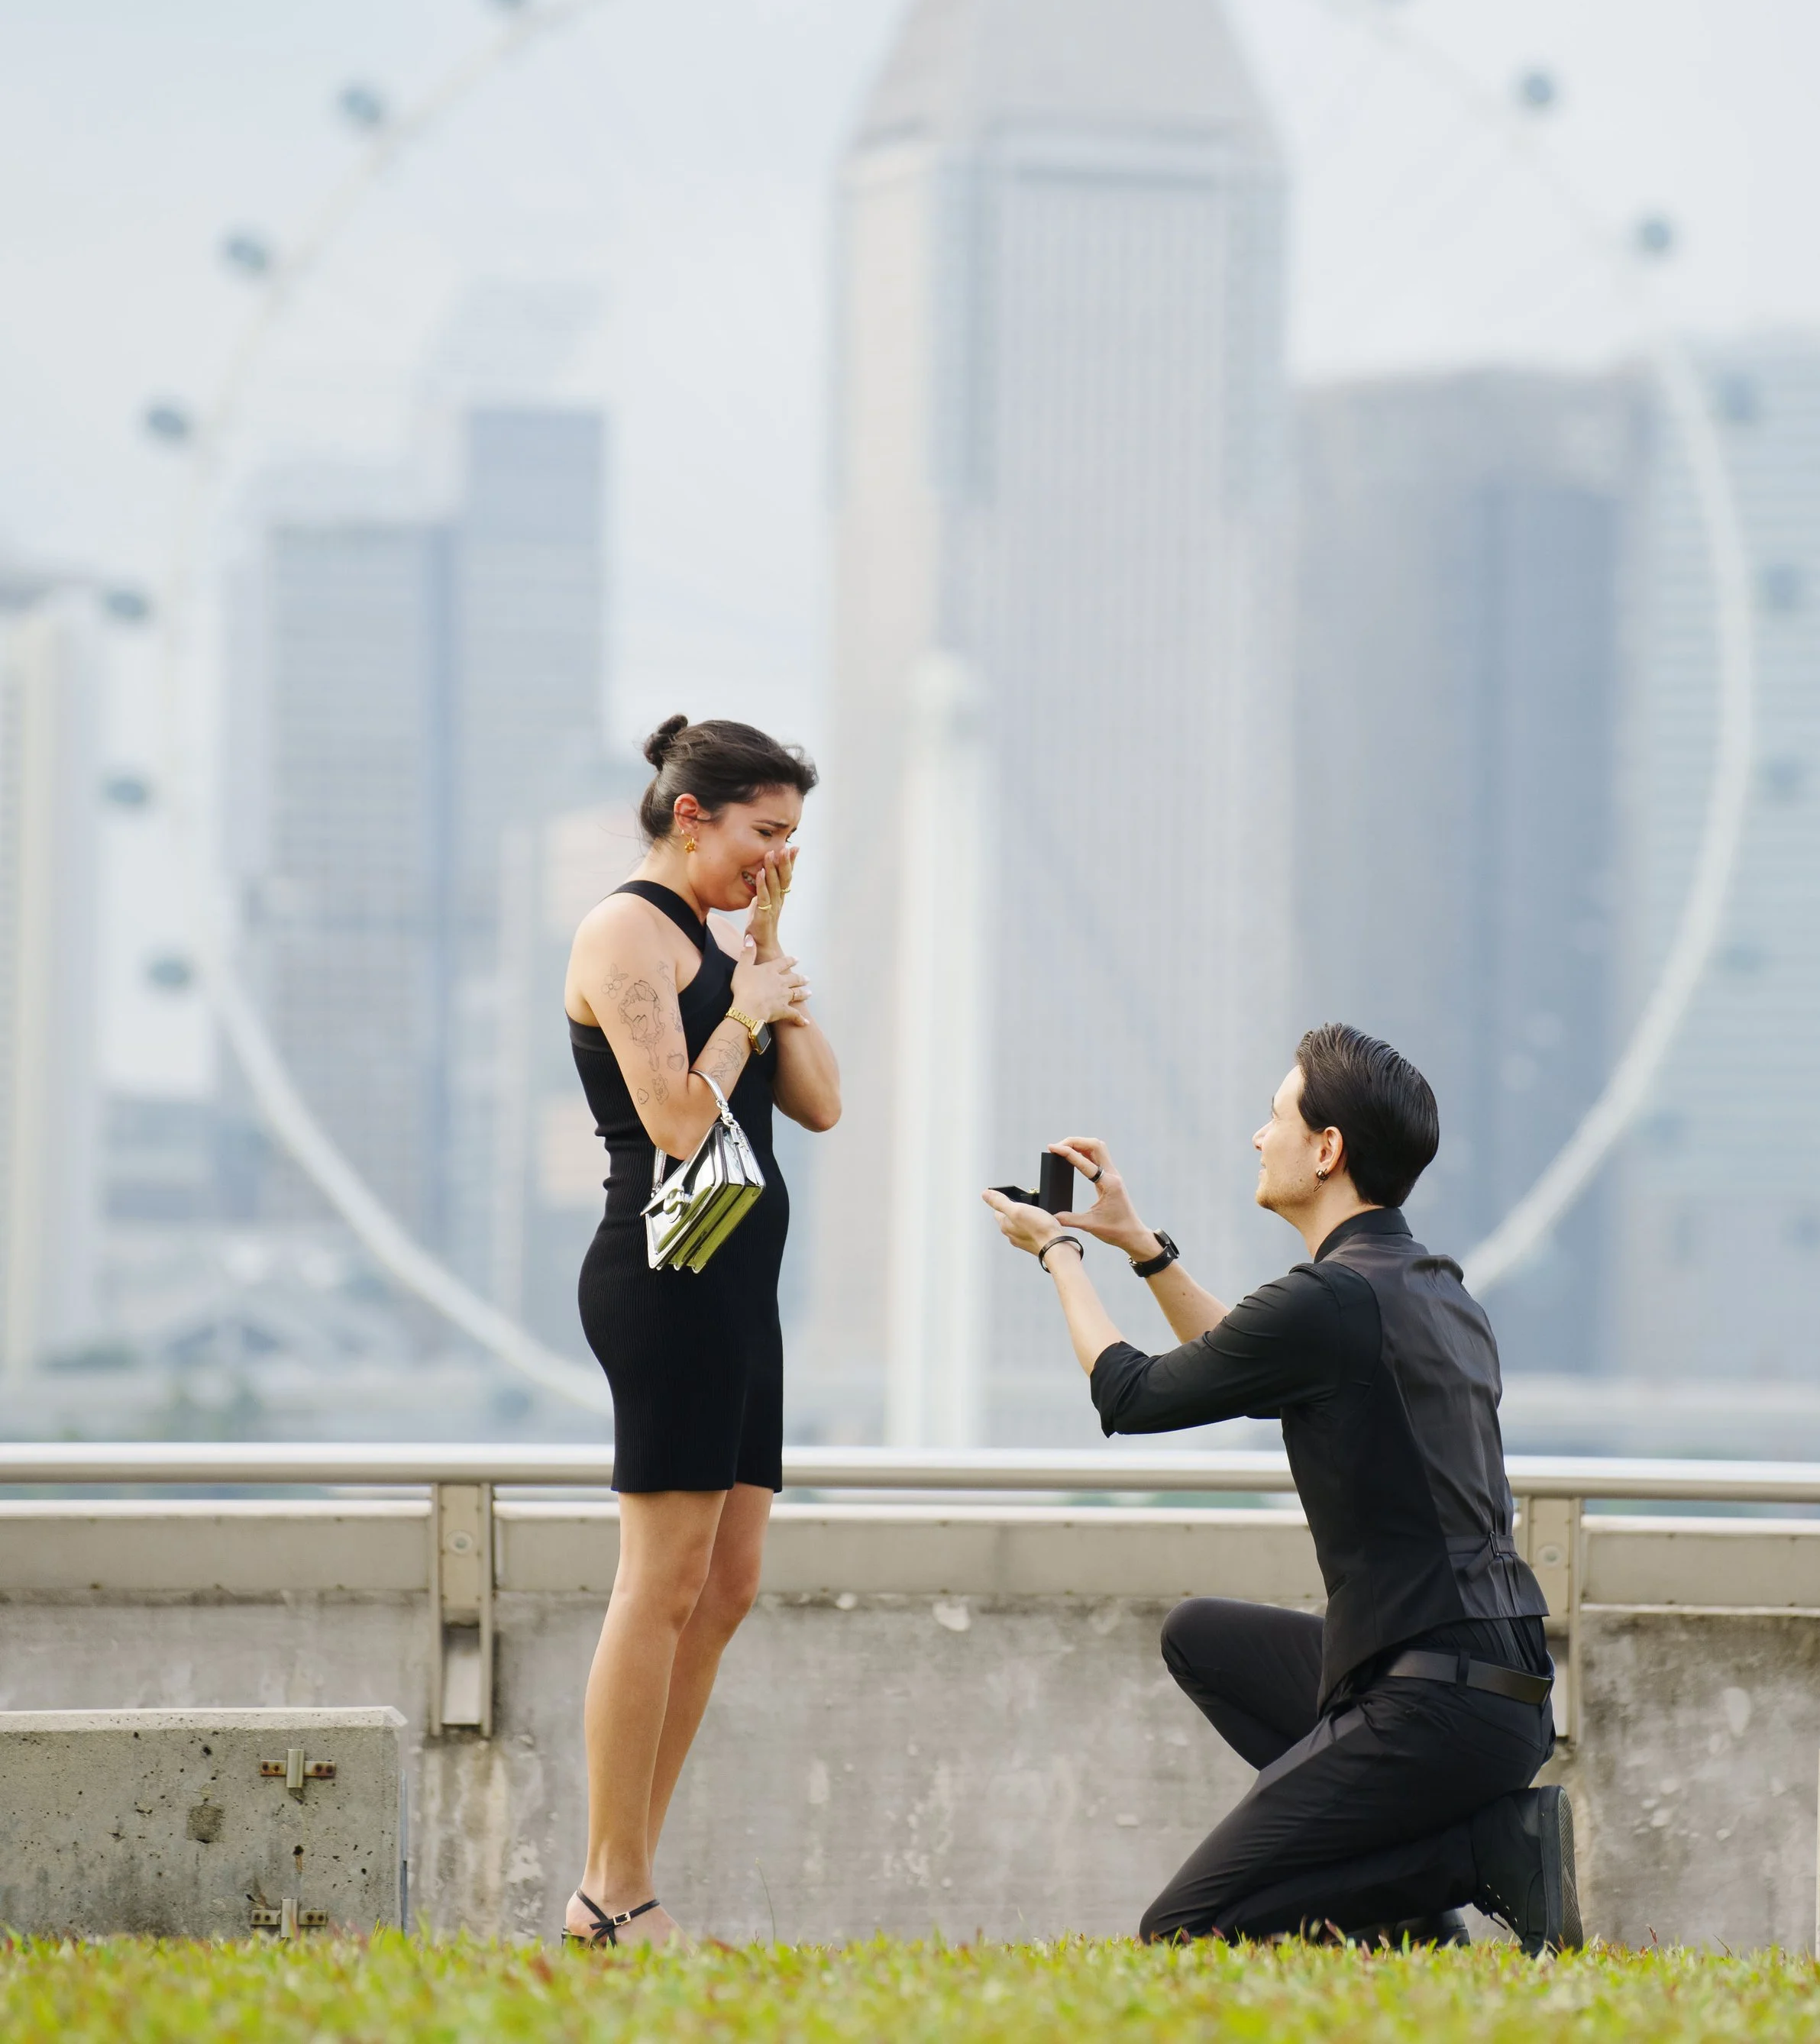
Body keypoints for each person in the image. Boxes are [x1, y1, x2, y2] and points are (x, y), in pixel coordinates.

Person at [982, 1022, 1579, 1953]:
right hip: (1494, 1689)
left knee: (1182, 1927)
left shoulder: (1331, 1298)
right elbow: (1238, 1357)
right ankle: (1415, 1910)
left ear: (1327, 1148)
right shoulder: (1430, 1287)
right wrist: (1141, 1247)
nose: (1259, 1137)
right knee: (1203, 1637)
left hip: (1432, 1702)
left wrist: (1060, 1254)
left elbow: (1130, 1393)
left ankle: (1474, 1851)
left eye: (1274, 1118)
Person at [561, 715, 841, 1946]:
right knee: (660, 1582)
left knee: (726, 1585)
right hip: (666, 1279)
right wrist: (743, 1006)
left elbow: (822, 1106)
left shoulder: (727, 944)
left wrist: (768, 961)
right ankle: (611, 1888)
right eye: (763, 835)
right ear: (693, 815)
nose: (774, 860)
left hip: (738, 1286)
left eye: (790, 842)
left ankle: (626, 1879)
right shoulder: (625, 928)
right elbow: (677, 1121)